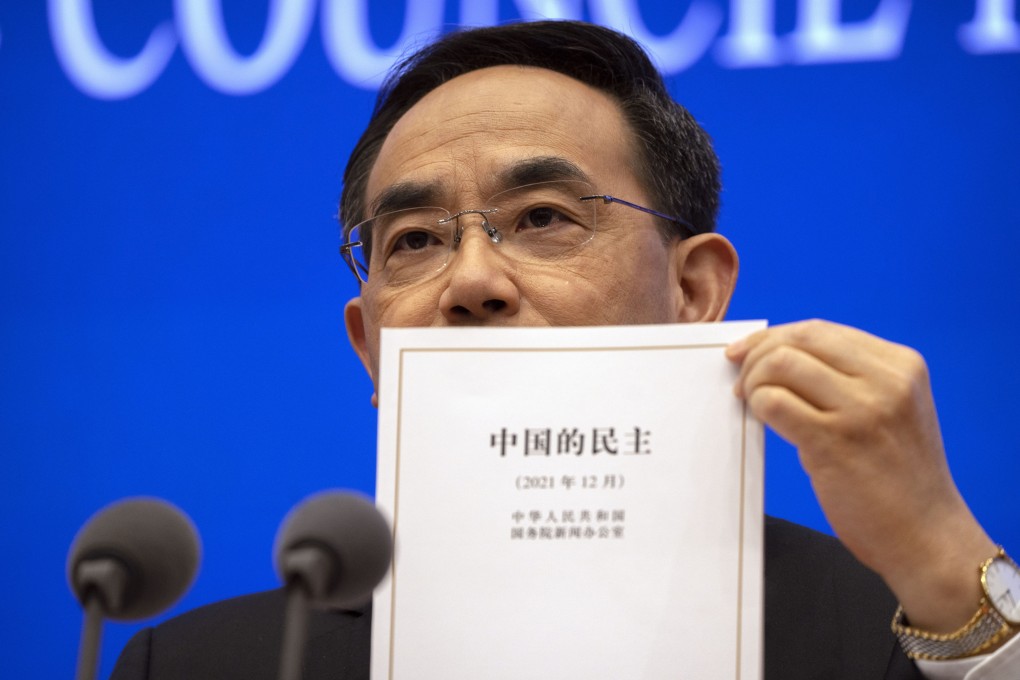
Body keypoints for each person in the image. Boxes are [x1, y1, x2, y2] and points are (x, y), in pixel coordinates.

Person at [111, 20, 1019, 680]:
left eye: (543, 218)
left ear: (694, 292)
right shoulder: (202, 665)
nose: (472, 280)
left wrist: (942, 556)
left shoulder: (888, 630)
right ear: (368, 346)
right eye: (415, 240)